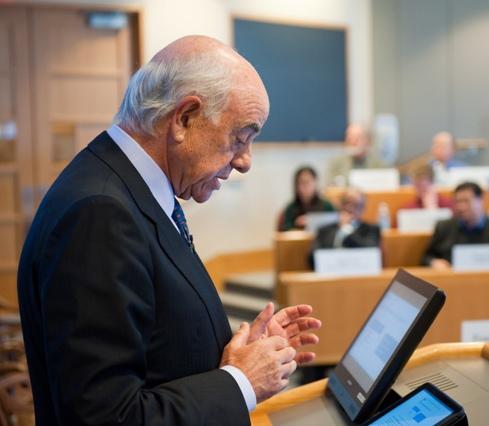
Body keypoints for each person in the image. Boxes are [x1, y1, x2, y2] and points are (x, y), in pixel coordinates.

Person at [18, 36, 321, 425]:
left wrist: (241, 357)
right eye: (240, 138)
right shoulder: (100, 212)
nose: (245, 161)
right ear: (185, 118)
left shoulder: (128, 189)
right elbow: (104, 416)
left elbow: (157, 344)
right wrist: (241, 382)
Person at [421, 182, 489, 268]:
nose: (461, 207)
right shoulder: (444, 228)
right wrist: (434, 262)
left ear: (480, 201)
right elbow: (426, 258)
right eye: (458, 202)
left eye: (466, 201)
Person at [312, 188, 381, 251]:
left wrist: (346, 229)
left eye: (355, 205)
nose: (349, 208)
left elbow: (371, 251)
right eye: (346, 203)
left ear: (362, 208)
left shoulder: (371, 230)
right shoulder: (324, 230)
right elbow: (313, 256)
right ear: (340, 205)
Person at [279, 166, 335, 231]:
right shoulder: (290, 208)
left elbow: (335, 224)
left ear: (315, 183)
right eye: (301, 183)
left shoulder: (327, 206)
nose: (304, 186)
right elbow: (285, 230)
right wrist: (297, 224)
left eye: (307, 182)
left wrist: (312, 221)